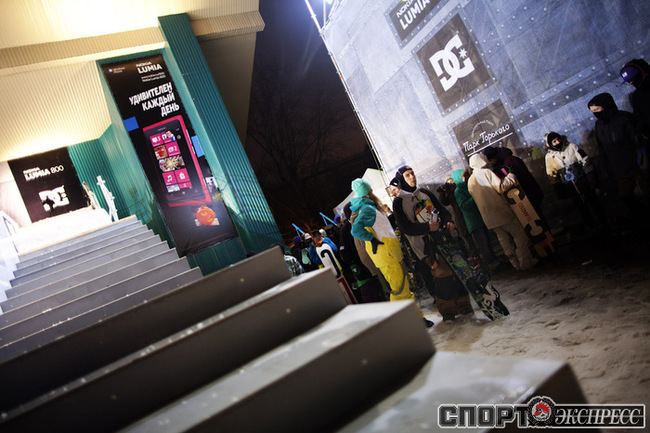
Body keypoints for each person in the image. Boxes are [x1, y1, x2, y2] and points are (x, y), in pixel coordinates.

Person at [391, 166, 473, 323]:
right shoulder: (399, 202)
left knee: (458, 270)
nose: (412, 177)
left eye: (412, 173)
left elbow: (442, 211)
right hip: (425, 247)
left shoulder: (424, 193)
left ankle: (464, 304)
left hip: (443, 239)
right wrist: (426, 228)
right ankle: (448, 311)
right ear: (401, 180)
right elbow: (405, 227)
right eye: (407, 175)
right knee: (442, 276)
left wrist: (448, 221)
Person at [349, 177, 434, 327]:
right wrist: (371, 239)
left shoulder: (369, 207)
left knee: (403, 289)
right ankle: (400, 324)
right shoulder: (368, 209)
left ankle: (415, 319)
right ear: (367, 193)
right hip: (388, 257)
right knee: (399, 291)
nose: (373, 191)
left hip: (390, 255)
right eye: (370, 189)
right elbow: (355, 229)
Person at [468, 153, 538, 271]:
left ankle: (515, 264)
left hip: (488, 217)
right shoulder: (486, 173)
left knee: (503, 240)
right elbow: (501, 187)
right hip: (501, 212)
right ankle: (524, 261)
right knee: (520, 235)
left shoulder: (470, 180)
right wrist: (511, 175)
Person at [588, 92, 648, 224]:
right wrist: (605, 170)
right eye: (593, 111)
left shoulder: (624, 118)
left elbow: (637, 142)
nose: (595, 113)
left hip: (635, 165)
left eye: (597, 110)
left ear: (606, 106)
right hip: (618, 169)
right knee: (627, 197)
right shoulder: (599, 125)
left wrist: (641, 164)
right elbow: (602, 149)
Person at [543, 131, 606, 228]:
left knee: (594, 202)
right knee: (581, 207)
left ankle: (604, 221)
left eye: (558, 139)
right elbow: (551, 173)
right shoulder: (549, 157)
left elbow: (585, 161)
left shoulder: (572, 147)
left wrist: (591, 176)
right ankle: (591, 225)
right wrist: (558, 187)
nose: (558, 142)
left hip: (583, 181)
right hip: (569, 186)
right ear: (550, 144)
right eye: (554, 141)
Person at [451, 168, 501, 271]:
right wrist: (474, 197)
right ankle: (492, 264)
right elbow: (464, 206)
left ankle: (495, 261)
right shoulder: (458, 191)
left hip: (480, 218)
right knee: (483, 244)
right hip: (473, 222)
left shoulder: (468, 186)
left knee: (487, 242)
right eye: (464, 175)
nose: (466, 177)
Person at [338, 202, 388, 303]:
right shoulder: (346, 230)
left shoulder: (363, 221)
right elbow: (344, 252)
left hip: (375, 259)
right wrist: (354, 264)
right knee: (372, 292)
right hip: (362, 266)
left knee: (382, 285)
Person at [482, 146, 545, 223]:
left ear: (495, 156)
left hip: (528, 193)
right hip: (525, 194)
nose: (491, 163)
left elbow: (519, 177)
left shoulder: (509, 160)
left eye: (491, 160)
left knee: (537, 218)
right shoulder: (503, 162)